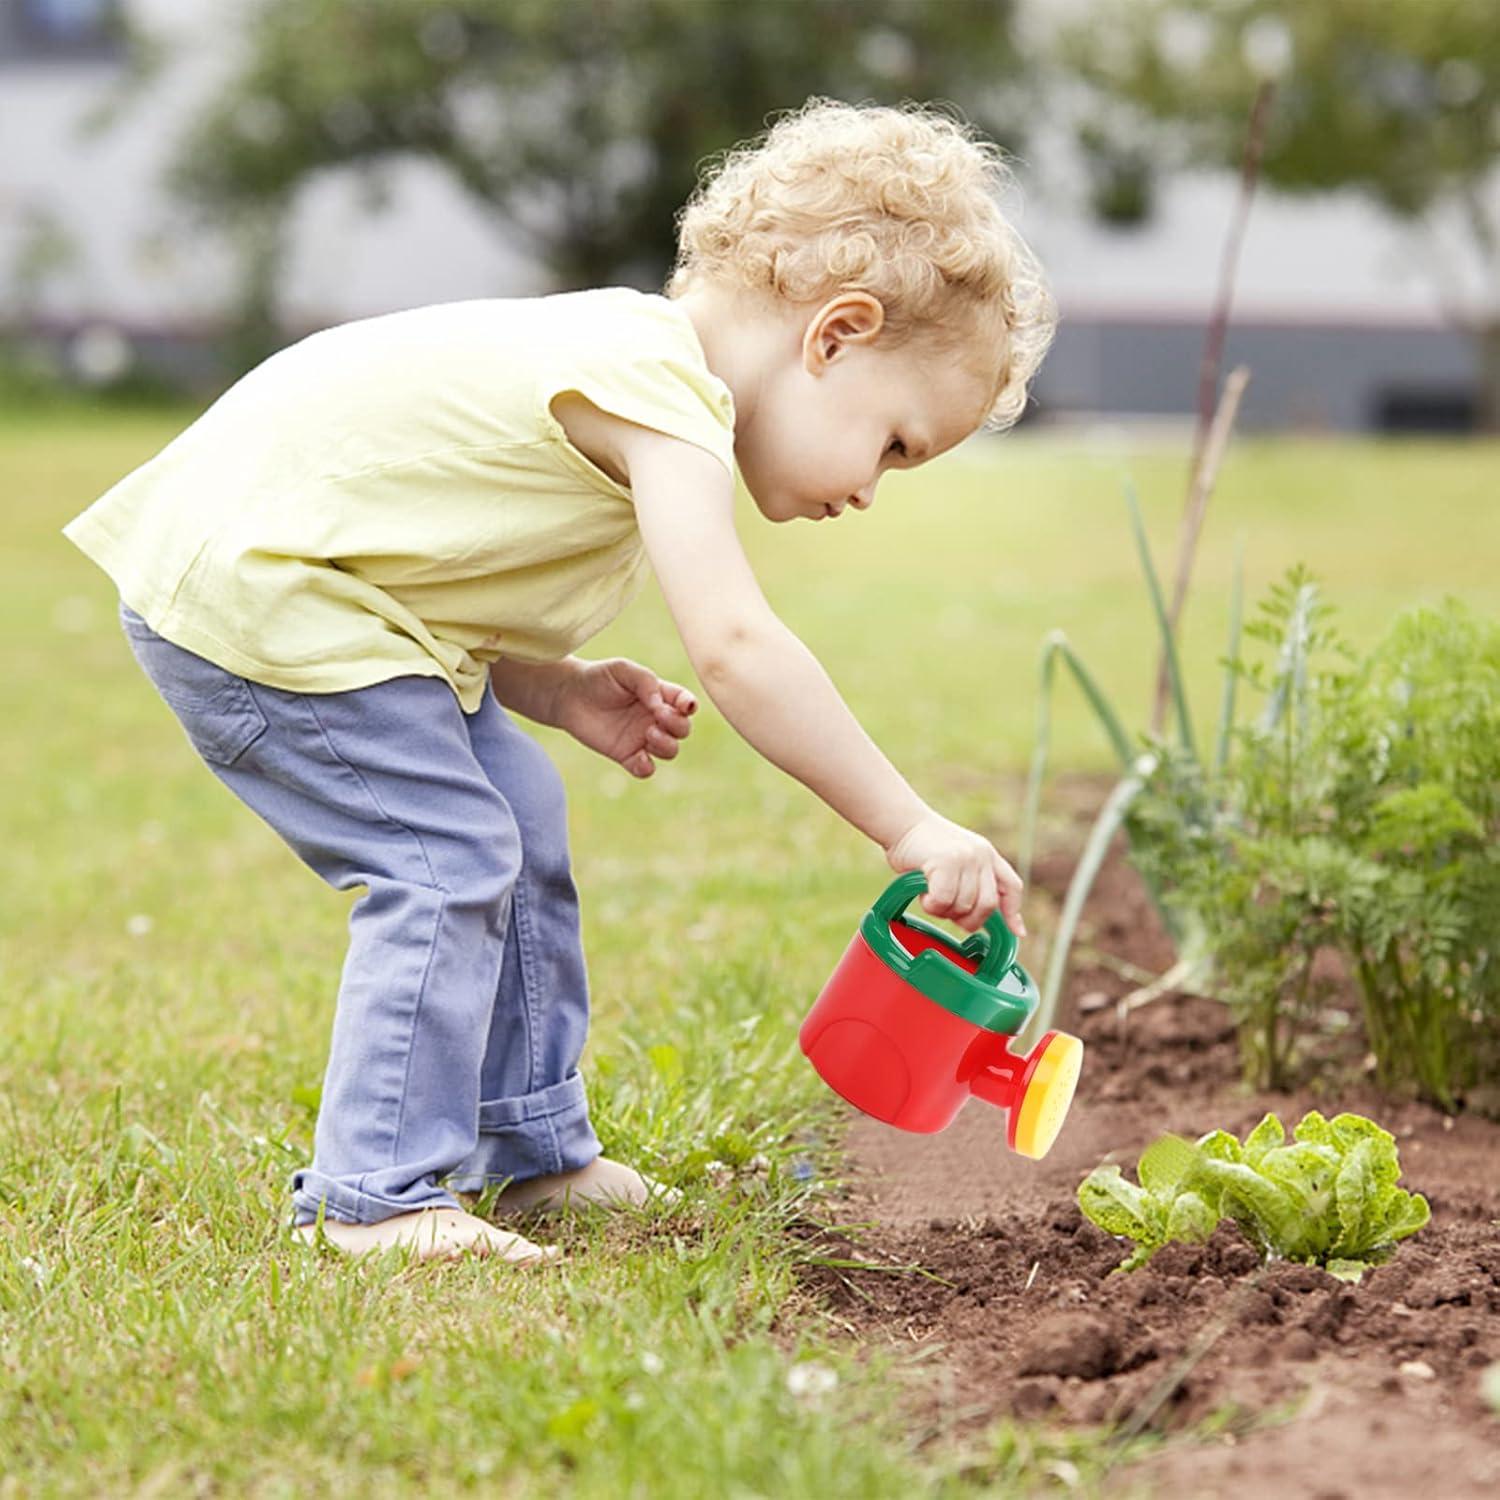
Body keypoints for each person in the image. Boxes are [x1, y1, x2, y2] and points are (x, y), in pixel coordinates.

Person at [60, 96, 1057, 1264]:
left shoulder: (634, 369)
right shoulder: (661, 392)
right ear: (834, 335)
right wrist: (908, 823)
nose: (872, 489)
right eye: (895, 444)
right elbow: (737, 645)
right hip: (257, 597)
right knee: (444, 859)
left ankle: (527, 1147)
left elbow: (425, 540)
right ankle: (372, 1199)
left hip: (326, 594)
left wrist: (559, 686)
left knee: (517, 813)